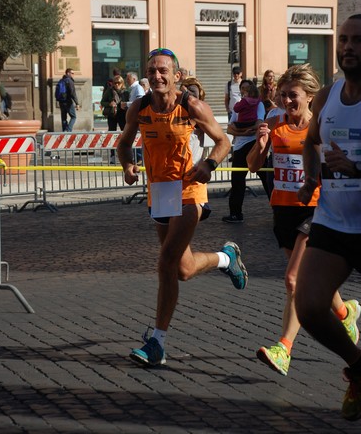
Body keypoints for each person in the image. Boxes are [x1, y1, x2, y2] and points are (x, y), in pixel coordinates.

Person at [117, 47, 248, 367]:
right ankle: (225, 257)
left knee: (165, 262)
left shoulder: (191, 106)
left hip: (190, 189)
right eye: (151, 71)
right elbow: (123, 142)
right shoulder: (139, 107)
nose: (156, 76)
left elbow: (223, 141)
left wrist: (210, 164)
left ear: (176, 76)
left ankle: (157, 343)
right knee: (183, 269)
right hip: (160, 191)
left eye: (163, 71)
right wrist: (128, 166)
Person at [247, 64, 359, 378]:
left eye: (292, 95)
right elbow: (254, 166)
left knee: (293, 280)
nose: (286, 101)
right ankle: (344, 311)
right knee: (310, 281)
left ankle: (284, 348)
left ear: (310, 97)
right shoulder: (273, 121)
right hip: (283, 209)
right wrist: (260, 146)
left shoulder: (322, 123)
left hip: (315, 209)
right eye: (282, 95)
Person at [295, 14, 361, 421]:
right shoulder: (327, 97)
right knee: (310, 306)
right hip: (333, 222)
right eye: (344, 39)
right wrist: (311, 177)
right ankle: (358, 368)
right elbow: (311, 141)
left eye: (358, 40)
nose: (348, 46)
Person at [222, 79, 269, 223]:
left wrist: (241, 131)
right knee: (237, 181)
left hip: (254, 145)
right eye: (242, 88)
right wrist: (243, 132)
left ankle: (279, 209)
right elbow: (230, 128)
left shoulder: (259, 104)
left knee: (267, 179)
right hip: (240, 147)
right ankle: (235, 214)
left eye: (247, 88)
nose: (244, 91)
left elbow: (259, 125)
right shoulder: (238, 106)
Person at [59, 68, 80, 132]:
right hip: (68, 101)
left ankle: (64, 130)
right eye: (72, 73)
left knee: (63, 117)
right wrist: (77, 103)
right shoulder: (70, 81)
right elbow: (72, 93)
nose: (73, 75)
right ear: (68, 73)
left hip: (61, 101)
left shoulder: (61, 80)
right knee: (73, 116)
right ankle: (68, 130)